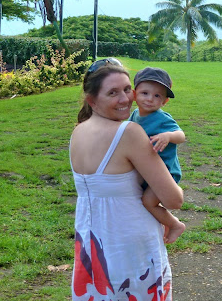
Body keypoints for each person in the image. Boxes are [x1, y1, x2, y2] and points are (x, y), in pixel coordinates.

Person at [70, 58, 183, 301]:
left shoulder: (78, 131)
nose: (125, 99)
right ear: (92, 100)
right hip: (130, 246)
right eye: (113, 93)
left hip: (93, 243)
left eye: (126, 89)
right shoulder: (129, 132)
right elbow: (174, 199)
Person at [129, 67, 186, 244]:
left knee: (148, 202)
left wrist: (168, 136)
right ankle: (156, 227)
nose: (149, 99)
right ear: (134, 94)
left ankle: (175, 224)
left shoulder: (162, 119)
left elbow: (181, 136)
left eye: (157, 96)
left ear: (164, 101)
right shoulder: (135, 115)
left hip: (165, 172)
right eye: (145, 93)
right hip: (148, 171)